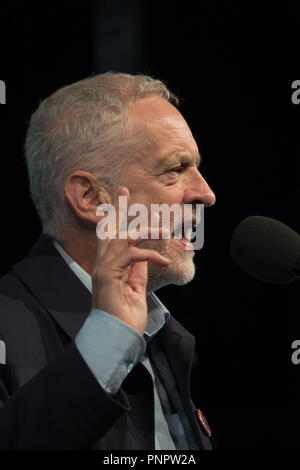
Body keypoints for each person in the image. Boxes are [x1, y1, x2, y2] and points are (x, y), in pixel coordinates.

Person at [0, 72, 216, 450]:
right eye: (175, 169)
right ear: (90, 197)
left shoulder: (164, 335)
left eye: (196, 168)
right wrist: (108, 340)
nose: (206, 193)